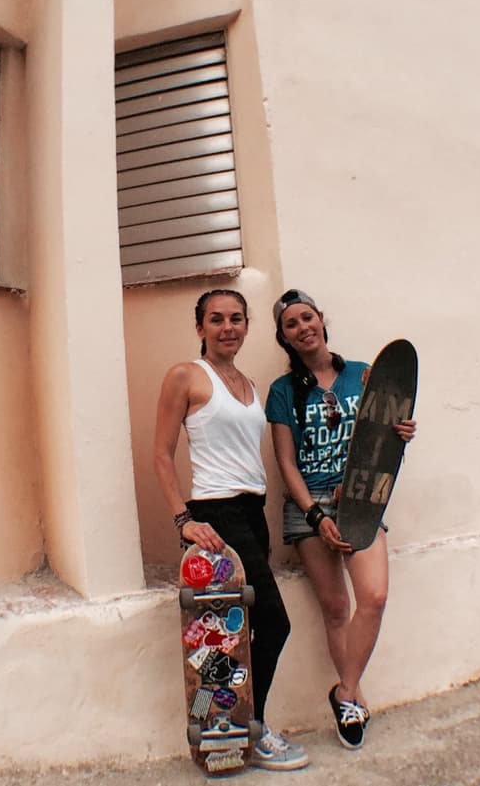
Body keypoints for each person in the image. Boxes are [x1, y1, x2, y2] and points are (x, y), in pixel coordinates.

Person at [152, 289, 308, 772]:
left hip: (252, 513)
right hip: (217, 518)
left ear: (247, 325)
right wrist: (186, 520)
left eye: (237, 319)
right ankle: (255, 728)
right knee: (275, 623)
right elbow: (161, 453)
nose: (228, 327)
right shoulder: (186, 375)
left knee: (238, 632)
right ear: (200, 327)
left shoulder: (249, 383)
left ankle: (231, 724)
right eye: (216, 319)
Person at [266, 289, 416, 751]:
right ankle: (355, 699)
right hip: (308, 506)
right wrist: (313, 515)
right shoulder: (283, 391)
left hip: (361, 502)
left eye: (306, 317)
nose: (302, 328)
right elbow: (286, 463)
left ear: (321, 319)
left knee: (373, 596)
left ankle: (344, 691)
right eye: (291, 324)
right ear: (284, 337)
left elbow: (381, 445)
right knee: (335, 608)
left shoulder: (363, 375)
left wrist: (401, 435)